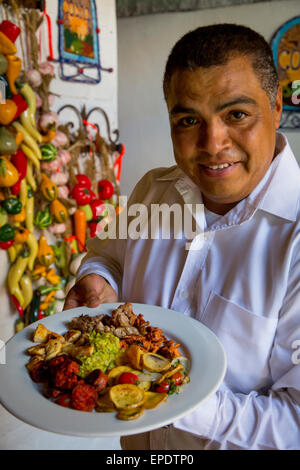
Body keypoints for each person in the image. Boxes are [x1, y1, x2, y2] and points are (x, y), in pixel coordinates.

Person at [64, 24, 300, 450]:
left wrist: (166, 393)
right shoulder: (152, 190)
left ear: (277, 105)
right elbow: (109, 257)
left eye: (237, 114)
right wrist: (99, 279)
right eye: (189, 120)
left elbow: (294, 423)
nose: (212, 143)